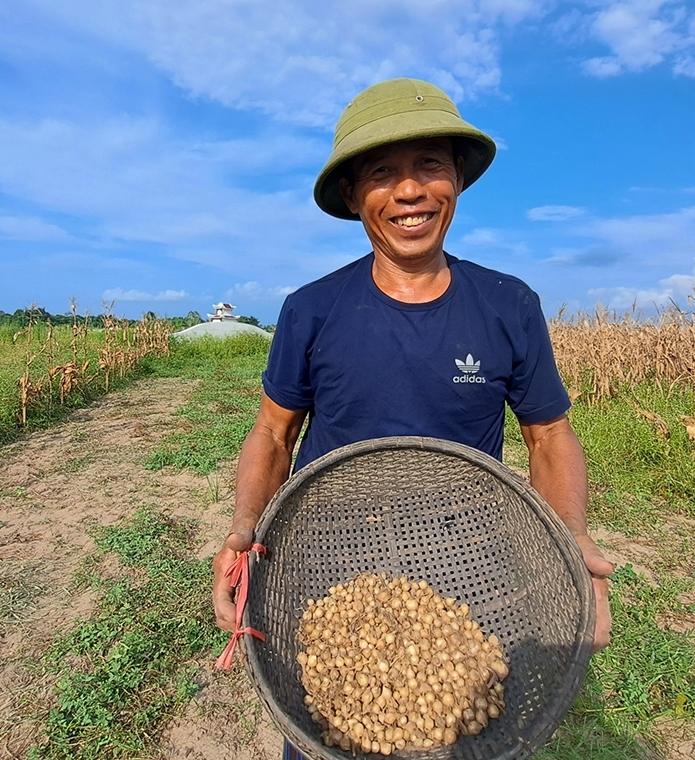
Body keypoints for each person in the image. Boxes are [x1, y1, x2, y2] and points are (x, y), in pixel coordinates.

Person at [211, 78, 613, 756]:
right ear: (351, 196)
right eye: (381, 173)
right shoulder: (312, 309)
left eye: (430, 164)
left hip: (467, 566)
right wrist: (243, 527)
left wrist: (571, 538)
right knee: (327, 729)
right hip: (328, 556)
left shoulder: (507, 304)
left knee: (460, 727)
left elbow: (549, 436)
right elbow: (273, 433)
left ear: (457, 178)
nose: (409, 191)